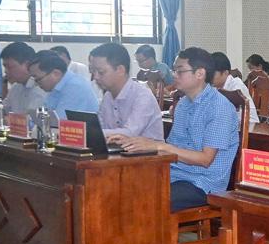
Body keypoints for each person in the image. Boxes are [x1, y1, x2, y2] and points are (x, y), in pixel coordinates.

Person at [116, 47, 239, 211]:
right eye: (174, 70)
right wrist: (143, 144)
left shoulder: (219, 108)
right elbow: (173, 147)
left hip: (202, 183)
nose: (174, 75)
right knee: (121, 188)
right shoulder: (182, 105)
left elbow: (205, 159)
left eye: (180, 71)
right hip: (174, 174)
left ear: (200, 74)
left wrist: (159, 146)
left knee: (146, 201)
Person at [89, 42, 164, 140]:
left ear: (120, 70)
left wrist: (91, 132)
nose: (96, 77)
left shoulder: (142, 96)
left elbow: (130, 133)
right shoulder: (108, 96)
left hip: (149, 150)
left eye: (101, 72)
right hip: (116, 148)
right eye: (93, 72)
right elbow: (100, 127)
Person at [28, 50, 99, 118]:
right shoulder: (56, 87)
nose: (36, 84)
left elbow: (58, 122)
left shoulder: (75, 87)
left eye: (38, 79)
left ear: (56, 73)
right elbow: (43, 117)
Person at [209, 52, 258, 126]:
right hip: (233, 126)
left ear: (225, 73)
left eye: (213, 74)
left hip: (250, 126)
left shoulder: (236, 85)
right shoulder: (215, 87)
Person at [0, 42, 46, 114]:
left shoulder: (41, 89)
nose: (5, 71)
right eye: (5, 67)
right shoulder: (15, 87)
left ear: (27, 65)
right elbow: (3, 111)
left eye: (9, 67)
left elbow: (30, 119)